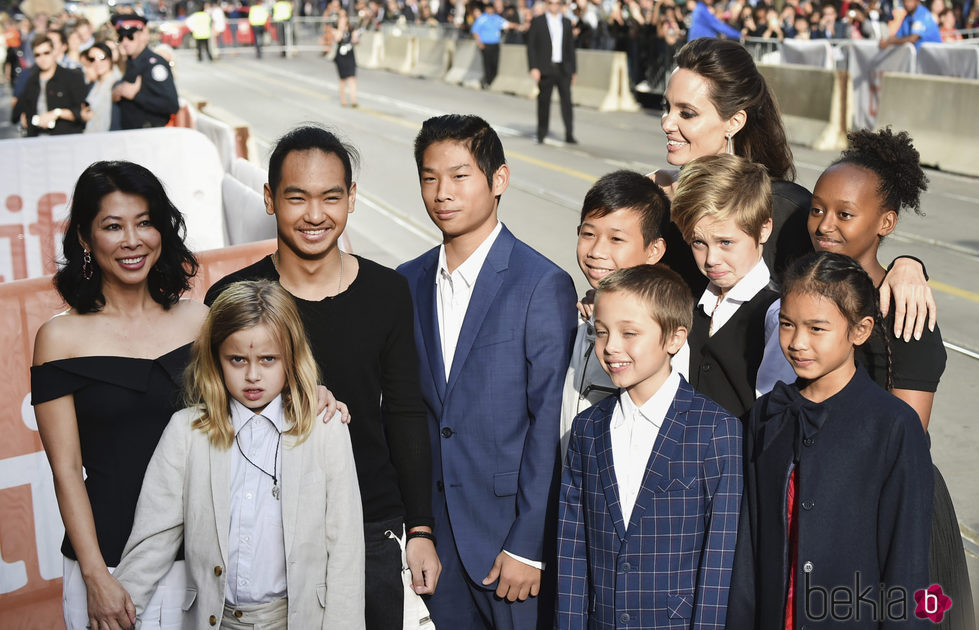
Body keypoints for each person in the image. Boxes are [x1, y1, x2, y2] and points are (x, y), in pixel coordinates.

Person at [204, 126, 439, 630]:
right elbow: (212, 418)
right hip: (265, 529)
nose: (315, 215)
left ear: (351, 199)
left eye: (331, 197)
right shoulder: (232, 297)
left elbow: (404, 412)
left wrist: (419, 528)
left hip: (370, 525)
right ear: (269, 199)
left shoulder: (387, 291)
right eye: (297, 198)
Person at [398, 114, 577, 629]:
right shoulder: (406, 282)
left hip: (509, 547)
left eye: (459, 176)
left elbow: (548, 423)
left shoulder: (541, 283)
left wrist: (529, 545)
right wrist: (420, 530)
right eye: (429, 178)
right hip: (436, 548)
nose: (442, 193)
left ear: (499, 180)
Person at [112, 280, 365, 629]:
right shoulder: (186, 432)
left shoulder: (325, 428)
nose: (252, 375)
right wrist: (117, 615)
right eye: (236, 360)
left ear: (291, 358)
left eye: (268, 359)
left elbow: (345, 550)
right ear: (215, 358)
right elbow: (152, 541)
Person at [654, 37, 936, 344]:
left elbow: (845, 272)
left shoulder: (782, 205)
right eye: (666, 107)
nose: (667, 122)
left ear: (734, 122)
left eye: (687, 113)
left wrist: (907, 266)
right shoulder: (652, 195)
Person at [806, 128, 975, 629]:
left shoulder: (905, 311)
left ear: (886, 222)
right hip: (824, 493)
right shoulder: (802, 285)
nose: (825, 224)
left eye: (844, 214)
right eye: (817, 209)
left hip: (891, 504)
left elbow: (907, 438)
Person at [31, 161, 208, 630]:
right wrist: (95, 577)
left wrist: (316, 393)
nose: (133, 240)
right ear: (86, 239)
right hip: (110, 568)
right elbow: (66, 469)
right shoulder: (58, 338)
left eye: (145, 222)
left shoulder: (200, 322)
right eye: (113, 226)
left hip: (207, 557)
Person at [727, 252, 933, 629]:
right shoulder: (765, 415)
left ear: (860, 330)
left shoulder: (893, 426)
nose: (797, 343)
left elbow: (910, 563)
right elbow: (748, 549)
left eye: (817, 328)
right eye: (787, 324)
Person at [557, 264, 742, 628]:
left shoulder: (716, 430)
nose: (610, 347)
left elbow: (720, 561)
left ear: (674, 339)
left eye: (629, 333)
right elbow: (572, 549)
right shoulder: (586, 429)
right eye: (601, 332)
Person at [671, 154, 796, 418]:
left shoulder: (776, 315)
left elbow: (773, 415)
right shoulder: (688, 301)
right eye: (698, 243)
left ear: (763, 230)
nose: (711, 259)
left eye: (726, 242)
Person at [559, 170, 669, 457]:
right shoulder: (577, 318)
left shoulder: (662, 337)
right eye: (589, 234)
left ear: (654, 250)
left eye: (616, 239)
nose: (597, 250)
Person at [110, 15, 179, 129]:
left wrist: (136, 96)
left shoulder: (154, 64)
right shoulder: (131, 62)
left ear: (142, 35)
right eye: (121, 38)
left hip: (149, 134)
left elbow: (171, 105)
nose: (125, 42)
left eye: (130, 36)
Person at [12, 34, 86, 136]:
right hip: (36, 139)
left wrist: (57, 113)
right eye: (37, 55)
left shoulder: (72, 77)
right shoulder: (31, 80)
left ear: (53, 52)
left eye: (46, 53)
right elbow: (16, 114)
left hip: (65, 139)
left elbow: (81, 112)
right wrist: (24, 117)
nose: (42, 58)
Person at [527, 0, 577, 144]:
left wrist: (573, 70)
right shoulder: (538, 21)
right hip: (545, 68)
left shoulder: (567, 22)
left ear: (561, 5)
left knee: (567, 102)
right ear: (547, 5)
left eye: (557, 3)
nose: (554, 5)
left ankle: (569, 133)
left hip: (563, 68)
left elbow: (571, 48)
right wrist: (533, 67)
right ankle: (542, 133)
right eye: (551, 2)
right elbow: (531, 46)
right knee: (544, 102)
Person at [81, 42, 120, 133]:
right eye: (92, 59)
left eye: (102, 58)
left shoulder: (117, 84)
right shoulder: (92, 86)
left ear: (110, 58)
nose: (97, 63)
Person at [471, 1, 510, 88]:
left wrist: (519, 26)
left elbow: (507, 24)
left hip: (495, 44)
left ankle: (492, 80)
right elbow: (475, 31)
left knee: (494, 63)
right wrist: (479, 43)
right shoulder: (482, 19)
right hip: (486, 44)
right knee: (487, 64)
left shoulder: (497, 18)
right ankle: (487, 81)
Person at [332, 11, 358, 107]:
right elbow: (337, 39)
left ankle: (353, 100)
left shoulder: (352, 28)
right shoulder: (335, 28)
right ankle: (343, 100)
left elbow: (356, 40)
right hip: (340, 56)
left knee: (352, 77)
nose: (343, 19)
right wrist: (341, 28)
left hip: (350, 54)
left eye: (344, 17)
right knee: (343, 79)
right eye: (341, 17)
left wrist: (356, 39)